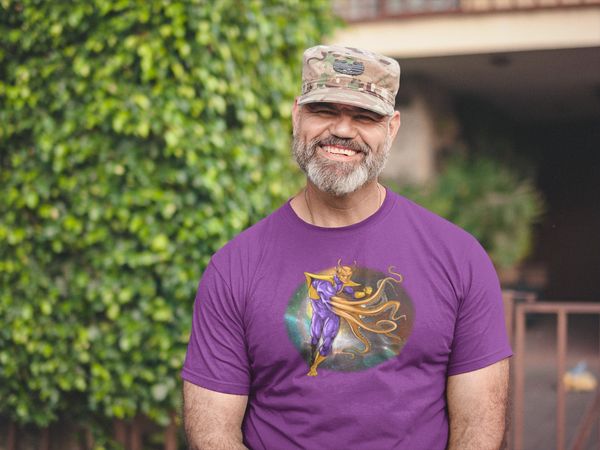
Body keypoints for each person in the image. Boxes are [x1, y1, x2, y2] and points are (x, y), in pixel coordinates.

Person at [182, 45, 512, 450]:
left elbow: (479, 426)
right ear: (297, 115)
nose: (342, 129)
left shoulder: (459, 258)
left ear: (391, 128)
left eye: (364, 116)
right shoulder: (235, 267)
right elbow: (213, 432)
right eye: (324, 110)